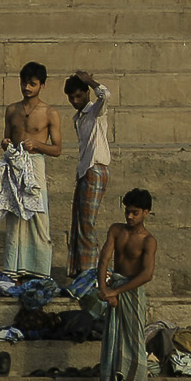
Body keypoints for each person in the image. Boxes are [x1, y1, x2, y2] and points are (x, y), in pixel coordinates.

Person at [85, 187, 158, 381]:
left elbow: (146, 275)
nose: (130, 216)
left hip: (133, 293)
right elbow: (104, 258)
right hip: (113, 288)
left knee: (136, 344)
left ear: (146, 212)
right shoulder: (116, 230)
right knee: (110, 345)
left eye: (135, 212)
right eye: (127, 212)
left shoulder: (148, 240)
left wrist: (117, 292)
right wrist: (104, 288)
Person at [0, 62, 63, 277]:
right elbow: (6, 139)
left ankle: (40, 272)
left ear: (42, 85)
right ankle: (14, 272)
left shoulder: (50, 113)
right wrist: (6, 144)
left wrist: (37, 145)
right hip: (15, 167)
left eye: (32, 84)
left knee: (39, 219)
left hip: (35, 167)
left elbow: (57, 149)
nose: (27, 88)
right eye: (24, 83)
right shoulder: (12, 110)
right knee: (15, 220)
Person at [63, 73, 113, 276]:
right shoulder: (79, 118)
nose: (75, 102)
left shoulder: (95, 112)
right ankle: (81, 269)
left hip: (96, 169)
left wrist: (90, 81)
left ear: (86, 93)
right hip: (85, 171)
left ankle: (92, 272)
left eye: (78, 96)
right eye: (71, 98)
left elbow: (106, 95)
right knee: (79, 223)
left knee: (87, 224)